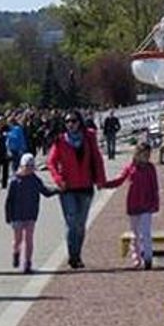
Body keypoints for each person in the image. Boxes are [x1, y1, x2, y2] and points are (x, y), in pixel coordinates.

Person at [46, 109, 106, 269]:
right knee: (71, 222)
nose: (70, 124)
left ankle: (77, 254)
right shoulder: (60, 141)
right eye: (67, 122)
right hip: (68, 189)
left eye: (73, 121)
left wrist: (101, 179)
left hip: (85, 186)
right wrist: (58, 179)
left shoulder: (88, 138)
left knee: (80, 224)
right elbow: (50, 162)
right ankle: (73, 256)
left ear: (79, 122)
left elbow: (97, 159)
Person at [103, 140, 160, 269]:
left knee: (146, 232)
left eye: (147, 155)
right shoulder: (130, 168)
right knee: (135, 233)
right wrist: (105, 184)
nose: (145, 157)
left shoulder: (151, 168)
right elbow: (119, 180)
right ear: (137, 154)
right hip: (134, 203)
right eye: (143, 154)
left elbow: (155, 186)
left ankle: (148, 258)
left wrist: (155, 202)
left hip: (147, 204)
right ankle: (137, 256)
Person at [3, 153, 56, 273]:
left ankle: (27, 263)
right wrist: (8, 216)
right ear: (21, 166)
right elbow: (9, 201)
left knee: (29, 239)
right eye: (27, 166)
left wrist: (58, 190)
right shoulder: (14, 181)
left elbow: (45, 192)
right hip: (17, 215)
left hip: (31, 214)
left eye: (31, 166)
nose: (29, 169)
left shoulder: (35, 180)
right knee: (18, 239)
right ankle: (16, 252)